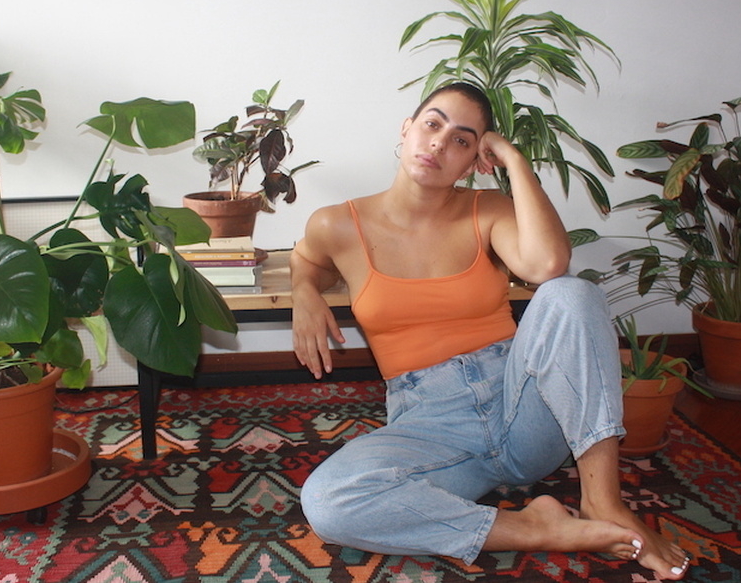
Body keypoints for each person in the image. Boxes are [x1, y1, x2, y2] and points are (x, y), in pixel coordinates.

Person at [289, 82, 691, 579]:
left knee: (571, 293)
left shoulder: (489, 210)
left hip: (524, 406)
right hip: (431, 426)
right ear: (406, 129)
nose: (439, 143)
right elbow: (306, 258)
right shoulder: (338, 224)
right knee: (328, 502)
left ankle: (603, 502)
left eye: (462, 139)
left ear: (475, 159)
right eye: (432, 123)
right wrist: (304, 292)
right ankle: (535, 527)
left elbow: (547, 265)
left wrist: (515, 160)